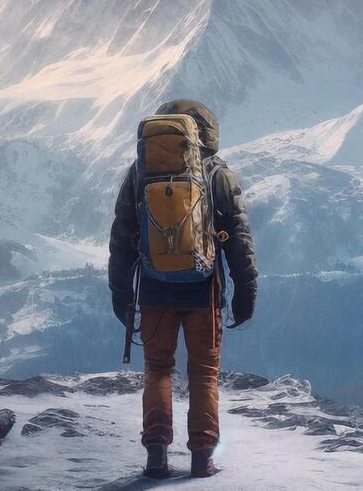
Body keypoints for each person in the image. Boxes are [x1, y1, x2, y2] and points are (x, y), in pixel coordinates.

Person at [108, 98, 257, 479]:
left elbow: (122, 235)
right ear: (205, 134)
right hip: (204, 292)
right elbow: (237, 236)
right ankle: (202, 457)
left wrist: (121, 293)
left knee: (158, 370)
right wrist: (245, 291)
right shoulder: (218, 174)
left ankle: (156, 455)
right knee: (203, 374)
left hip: (154, 289)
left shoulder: (140, 173)